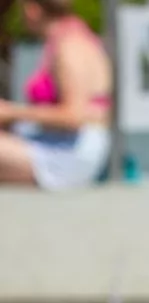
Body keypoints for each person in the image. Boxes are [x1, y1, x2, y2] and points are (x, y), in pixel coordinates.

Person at [0, 0, 112, 188]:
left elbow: (73, 116)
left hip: (70, 154)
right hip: (60, 145)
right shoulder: (68, 39)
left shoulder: (70, 47)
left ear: (32, 10)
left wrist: (11, 112)